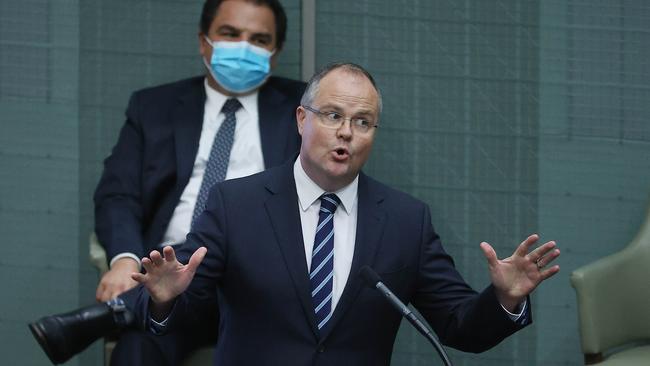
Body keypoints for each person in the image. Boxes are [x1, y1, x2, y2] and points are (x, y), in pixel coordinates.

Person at [130, 62, 561, 365]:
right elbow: (184, 315)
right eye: (333, 115)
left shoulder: (405, 221)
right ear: (301, 119)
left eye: (363, 122)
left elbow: (457, 326)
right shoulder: (235, 204)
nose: (346, 133)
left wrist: (505, 298)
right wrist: (165, 299)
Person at [29, 0, 305, 364]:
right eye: (230, 34)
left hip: (259, 285)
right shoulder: (153, 107)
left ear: (275, 51)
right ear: (203, 41)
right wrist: (125, 260)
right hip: (169, 280)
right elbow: (118, 194)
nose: (243, 48)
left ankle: (117, 311)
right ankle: (132, 308)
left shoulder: (303, 111)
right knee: (137, 348)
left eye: (258, 39)